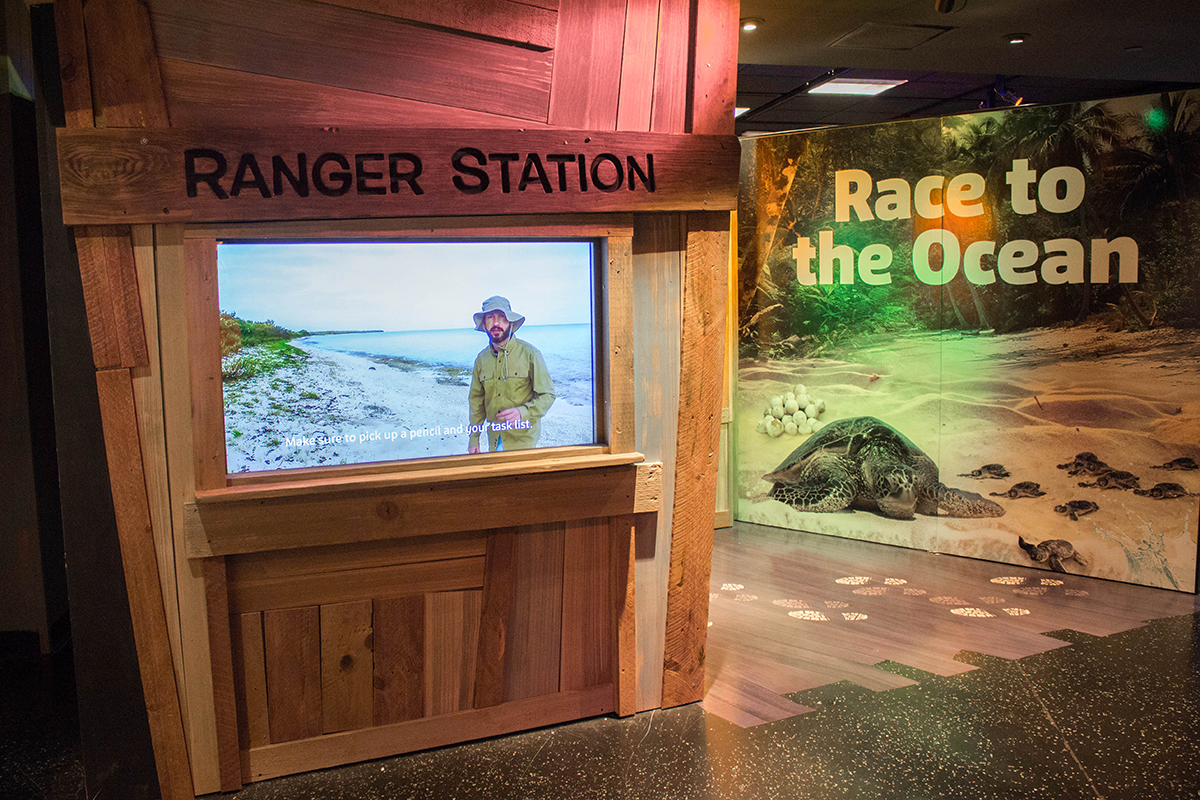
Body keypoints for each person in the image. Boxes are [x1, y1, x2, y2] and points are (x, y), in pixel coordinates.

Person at [467, 296, 554, 453]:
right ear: (484, 324)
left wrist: (523, 412)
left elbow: (547, 395)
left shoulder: (530, 354)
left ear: (511, 322)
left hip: (523, 442)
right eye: (490, 317)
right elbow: (476, 401)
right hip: (493, 441)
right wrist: (474, 437)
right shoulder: (481, 359)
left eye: (502, 317)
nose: (496, 323)